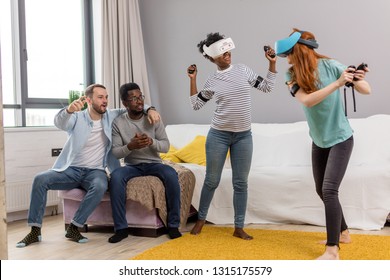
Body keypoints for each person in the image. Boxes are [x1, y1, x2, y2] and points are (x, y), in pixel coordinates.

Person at [16, 83, 160, 247]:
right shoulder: (77, 118)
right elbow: (59, 123)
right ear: (89, 100)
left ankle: (74, 227)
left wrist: (151, 109)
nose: (105, 100)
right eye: (100, 97)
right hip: (70, 170)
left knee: (100, 185)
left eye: (106, 97)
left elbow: (136, 106)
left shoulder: (111, 116)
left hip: (95, 171)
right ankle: (34, 231)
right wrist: (69, 110)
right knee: (40, 179)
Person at [274, 28, 371, 259]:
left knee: (329, 189)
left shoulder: (330, 65)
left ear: (300, 52)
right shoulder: (291, 76)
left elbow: (367, 90)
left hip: (341, 138)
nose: (287, 60)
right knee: (321, 189)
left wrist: (356, 79)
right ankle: (344, 233)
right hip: (319, 140)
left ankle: (332, 250)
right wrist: (338, 84)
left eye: (289, 54)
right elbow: (307, 101)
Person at [186, 32, 277, 240]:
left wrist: (272, 64)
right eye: (221, 52)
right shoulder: (212, 80)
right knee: (211, 181)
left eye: (227, 49)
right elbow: (196, 104)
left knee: (241, 183)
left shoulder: (243, 70)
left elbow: (267, 86)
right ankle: (200, 220)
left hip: (244, 136)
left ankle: (238, 227)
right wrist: (193, 80)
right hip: (218, 135)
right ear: (211, 58)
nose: (226, 53)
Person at [108, 82, 182, 243]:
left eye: (140, 96)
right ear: (125, 103)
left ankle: (173, 225)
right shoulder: (118, 123)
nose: (139, 101)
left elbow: (166, 146)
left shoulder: (153, 118)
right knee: (115, 177)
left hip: (154, 163)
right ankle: (121, 228)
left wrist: (151, 142)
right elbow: (115, 152)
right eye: (133, 98)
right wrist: (130, 146)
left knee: (171, 175)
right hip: (131, 166)